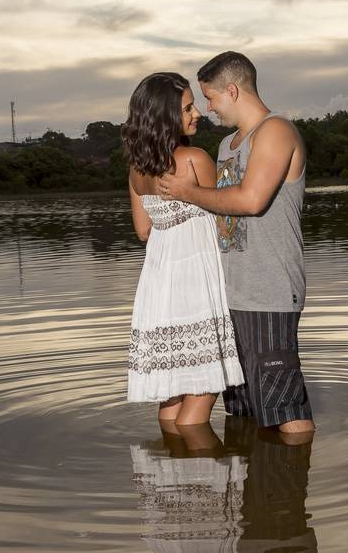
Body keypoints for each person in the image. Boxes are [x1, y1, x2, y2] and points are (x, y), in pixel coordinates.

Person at [158, 52, 315, 434]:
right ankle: (253, 481)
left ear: (232, 90)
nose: (207, 108)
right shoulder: (228, 144)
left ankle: (289, 487)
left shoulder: (275, 131)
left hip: (268, 291)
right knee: (243, 411)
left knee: (285, 411)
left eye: (210, 98)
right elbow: (220, 214)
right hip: (231, 294)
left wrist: (189, 192)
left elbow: (250, 200)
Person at [123, 71, 244, 426]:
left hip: (160, 286)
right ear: (166, 116)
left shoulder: (136, 169)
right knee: (202, 390)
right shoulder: (195, 159)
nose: (197, 114)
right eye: (188, 108)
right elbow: (226, 222)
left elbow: (143, 231)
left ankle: (170, 474)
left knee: (173, 397)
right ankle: (199, 472)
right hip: (195, 285)